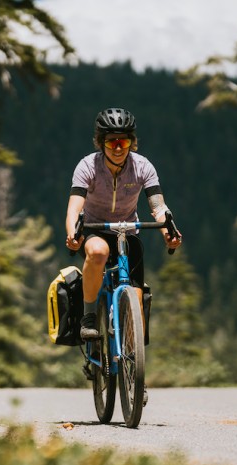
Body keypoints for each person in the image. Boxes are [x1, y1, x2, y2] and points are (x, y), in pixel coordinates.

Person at [65, 107, 182, 339]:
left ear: (132, 142)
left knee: (137, 304)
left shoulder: (143, 167)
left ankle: (128, 357)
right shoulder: (87, 167)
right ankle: (89, 317)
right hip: (94, 229)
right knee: (98, 252)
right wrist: (73, 234)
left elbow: (158, 207)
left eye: (124, 142)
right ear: (101, 143)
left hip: (127, 231)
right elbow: (74, 208)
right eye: (112, 143)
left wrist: (169, 230)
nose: (118, 148)